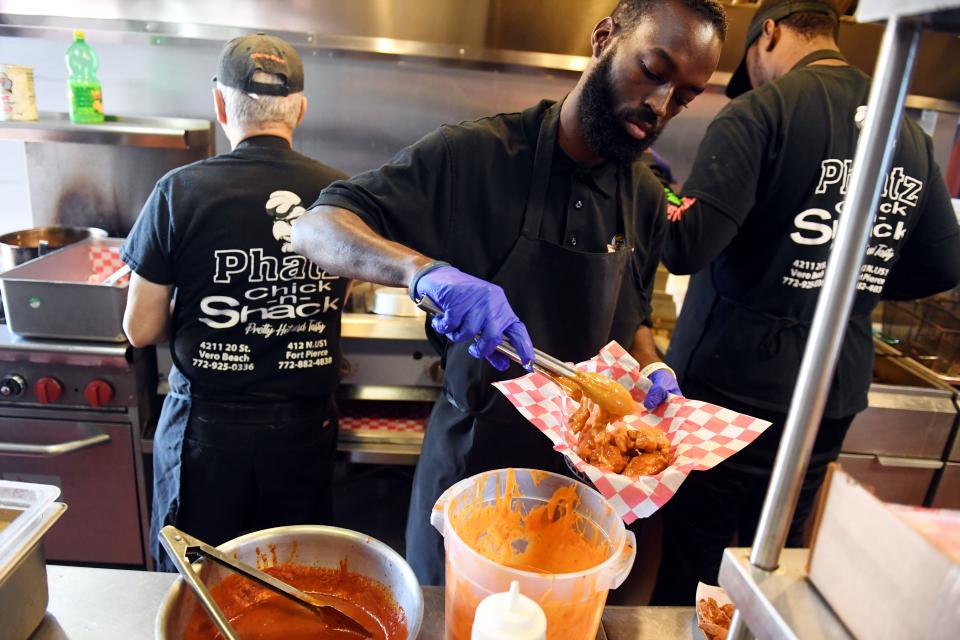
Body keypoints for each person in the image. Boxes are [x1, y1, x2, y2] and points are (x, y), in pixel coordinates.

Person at [291, 0, 728, 584]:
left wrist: (652, 370)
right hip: (471, 469)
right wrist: (424, 273)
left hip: (582, 495)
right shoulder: (475, 157)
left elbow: (633, 322)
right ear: (604, 39)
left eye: (684, 96)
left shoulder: (645, 196)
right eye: (652, 69)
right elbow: (316, 227)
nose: (660, 104)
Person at [651, 0, 960, 604]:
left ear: (768, 34)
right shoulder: (906, 129)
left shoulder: (761, 113)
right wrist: (849, 278)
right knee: (778, 561)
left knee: (695, 557)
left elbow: (686, 244)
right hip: (828, 395)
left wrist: (652, 184)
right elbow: (943, 264)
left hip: (731, 389)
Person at [121, 33, 349, 571]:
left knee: (197, 583)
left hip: (205, 435)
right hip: (302, 433)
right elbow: (344, 285)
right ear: (300, 110)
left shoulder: (178, 192)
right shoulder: (342, 193)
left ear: (220, 103)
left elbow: (141, 328)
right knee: (292, 579)